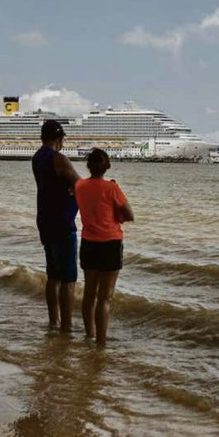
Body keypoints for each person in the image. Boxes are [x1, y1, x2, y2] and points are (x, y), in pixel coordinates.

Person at [74, 148, 133, 345]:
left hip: (89, 243)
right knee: (105, 298)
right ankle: (101, 342)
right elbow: (130, 215)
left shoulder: (79, 186)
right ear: (107, 166)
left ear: (88, 165)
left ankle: (89, 334)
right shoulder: (112, 188)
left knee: (89, 294)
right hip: (110, 243)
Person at [31, 119, 80, 331]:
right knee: (68, 280)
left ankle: (54, 321)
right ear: (59, 139)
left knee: (53, 276)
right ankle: (67, 328)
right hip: (62, 221)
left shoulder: (37, 158)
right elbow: (80, 184)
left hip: (45, 219)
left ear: (42, 137)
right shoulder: (58, 158)